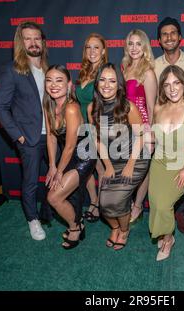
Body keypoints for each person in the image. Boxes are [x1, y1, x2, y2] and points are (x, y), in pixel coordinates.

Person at [0, 21, 49, 240]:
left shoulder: (47, 68)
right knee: (30, 181)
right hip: (30, 138)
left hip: (52, 135)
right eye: (28, 38)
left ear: (42, 42)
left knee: (56, 177)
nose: (33, 42)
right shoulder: (11, 70)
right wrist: (18, 135)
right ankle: (32, 220)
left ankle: (47, 212)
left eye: (37, 38)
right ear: (20, 42)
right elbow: (0, 107)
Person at [88, 63, 150, 250]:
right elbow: (97, 140)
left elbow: (140, 136)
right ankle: (114, 227)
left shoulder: (127, 107)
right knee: (105, 204)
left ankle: (124, 230)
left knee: (117, 201)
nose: (106, 85)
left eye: (112, 81)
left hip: (136, 157)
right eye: (103, 80)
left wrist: (131, 164)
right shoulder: (92, 108)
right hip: (112, 160)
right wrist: (107, 165)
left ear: (119, 85)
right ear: (97, 83)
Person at [148, 65, 184, 261]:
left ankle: (168, 239)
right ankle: (165, 234)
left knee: (164, 205)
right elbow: (154, 138)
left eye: (176, 83)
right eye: (166, 85)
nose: (172, 89)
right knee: (156, 204)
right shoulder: (158, 108)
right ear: (162, 89)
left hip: (182, 167)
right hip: (158, 163)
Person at [154, 16, 184, 233]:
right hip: (166, 125)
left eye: (173, 33)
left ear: (180, 37)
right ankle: (169, 211)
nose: (169, 37)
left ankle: (177, 209)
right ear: (159, 40)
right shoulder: (154, 66)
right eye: (164, 34)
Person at [44, 65, 96, 249]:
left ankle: (75, 227)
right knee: (62, 195)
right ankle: (77, 222)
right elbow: (51, 136)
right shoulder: (49, 105)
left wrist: (59, 171)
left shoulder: (71, 108)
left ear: (69, 85)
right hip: (68, 155)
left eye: (59, 80)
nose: (53, 85)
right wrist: (51, 165)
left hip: (84, 156)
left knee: (54, 197)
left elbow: (70, 145)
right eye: (49, 80)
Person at [122, 29, 158, 223]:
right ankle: (127, 201)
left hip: (142, 127)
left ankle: (138, 205)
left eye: (138, 44)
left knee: (142, 170)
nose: (134, 48)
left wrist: (150, 133)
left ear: (145, 47)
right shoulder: (124, 68)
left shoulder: (148, 72)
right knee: (127, 167)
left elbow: (152, 107)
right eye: (130, 43)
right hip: (124, 127)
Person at [75, 33, 108, 223]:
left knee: (101, 169)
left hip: (97, 127)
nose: (92, 51)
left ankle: (100, 204)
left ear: (103, 51)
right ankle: (94, 200)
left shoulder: (104, 73)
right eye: (88, 47)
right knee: (86, 169)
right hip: (81, 128)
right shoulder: (84, 72)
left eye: (96, 47)